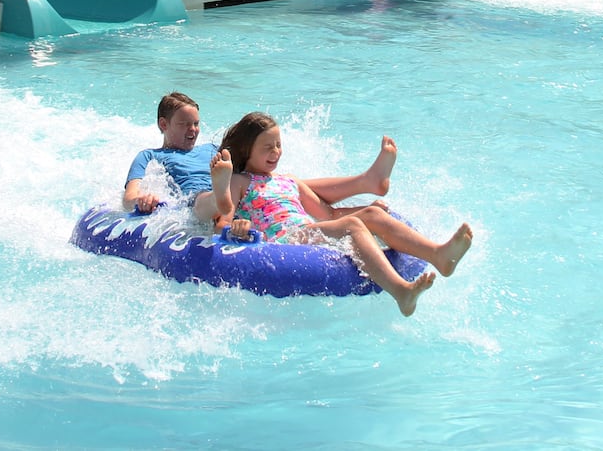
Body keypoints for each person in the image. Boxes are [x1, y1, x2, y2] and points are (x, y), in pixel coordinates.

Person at [220, 111, 473, 317]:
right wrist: (236, 229)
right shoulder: (239, 181)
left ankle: (438, 254)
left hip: (307, 231)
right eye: (267, 147)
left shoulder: (290, 181)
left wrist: (368, 212)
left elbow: (328, 214)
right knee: (352, 225)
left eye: (278, 145)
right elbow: (223, 218)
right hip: (286, 241)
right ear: (246, 150)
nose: (276, 152)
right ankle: (401, 292)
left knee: (371, 214)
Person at [123, 92, 396, 229]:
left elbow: (249, 168)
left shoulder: (211, 149)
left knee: (284, 184)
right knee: (209, 195)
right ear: (163, 124)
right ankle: (221, 198)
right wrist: (141, 200)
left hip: (239, 188)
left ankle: (367, 181)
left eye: (196, 123)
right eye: (184, 124)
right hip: (199, 200)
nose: (193, 130)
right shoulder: (151, 156)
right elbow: (129, 196)